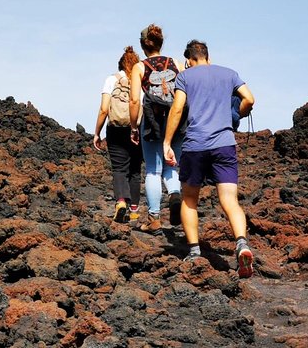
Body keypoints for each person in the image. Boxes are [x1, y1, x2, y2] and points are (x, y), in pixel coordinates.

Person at [163, 39, 256, 278]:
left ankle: (194, 251)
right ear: (208, 57)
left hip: (195, 145)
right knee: (230, 200)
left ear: (189, 60)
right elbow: (250, 99)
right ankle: (242, 244)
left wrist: (167, 142)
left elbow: (177, 108)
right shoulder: (229, 74)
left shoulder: (185, 76)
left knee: (190, 199)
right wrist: (236, 114)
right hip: (224, 145)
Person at [129, 24, 184, 234]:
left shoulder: (140, 67)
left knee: (153, 169)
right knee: (172, 165)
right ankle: (175, 194)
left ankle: (154, 219)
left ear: (143, 45)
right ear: (161, 43)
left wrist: (134, 127)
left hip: (152, 122)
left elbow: (135, 100)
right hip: (175, 120)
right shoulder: (176, 64)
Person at [93, 46, 144, 223]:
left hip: (115, 128)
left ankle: (121, 202)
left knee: (119, 168)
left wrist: (97, 133)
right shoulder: (141, 80)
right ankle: (135, 211)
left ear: (120, 64)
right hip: (136, 128)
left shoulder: (111, 79)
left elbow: (104, 109)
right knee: (135, 169)